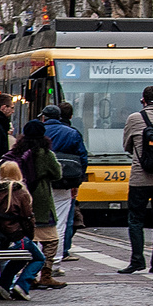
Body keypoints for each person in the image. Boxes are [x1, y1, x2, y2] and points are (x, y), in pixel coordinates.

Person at [3, 119, 68, 288]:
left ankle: (27, 273)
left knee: (28, 241)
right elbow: (57, 174)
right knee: (51, 239)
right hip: (41, 202)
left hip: (20, 200)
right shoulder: (45, 153)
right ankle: (45, 274)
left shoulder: (17, 152)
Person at [119, 85, 153, 274]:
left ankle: (137, 261)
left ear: (143, 99)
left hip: (140, 179)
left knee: (136, 220)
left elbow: (126, 146)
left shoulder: (134, 119)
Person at [0, 160, 44, 300]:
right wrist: (29, 235)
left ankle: (3, 285)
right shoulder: (19, 191)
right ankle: (22, 285)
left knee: (19, 259)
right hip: (15, 235)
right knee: (39, 258)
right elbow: (27, 217)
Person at [41, 104, 87, 264]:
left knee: (38, 222)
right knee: (61, 222)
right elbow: (83, 158)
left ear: (43, 117)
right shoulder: (72, 133)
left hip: (40, 183)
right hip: (65, 183)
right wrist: (77, 182)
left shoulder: (37, 133)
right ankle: (55, 260)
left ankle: (38, 259)